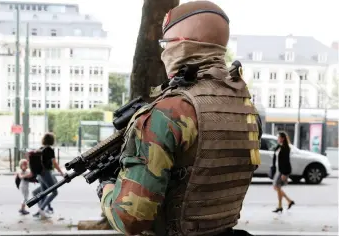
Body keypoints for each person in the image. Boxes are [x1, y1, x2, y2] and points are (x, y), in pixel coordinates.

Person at [96, 1, 262, 235]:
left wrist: (107, 188)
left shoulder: (169, 112)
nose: (163, 52)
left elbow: (131, 219)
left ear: (182, 45)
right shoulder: (246, 109)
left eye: (166, 43)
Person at [32, 132, 64, 219]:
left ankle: (41, 211)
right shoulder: (49, 150)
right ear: (52, 140)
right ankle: (41, 209)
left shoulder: (40, 148)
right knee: (54, 192)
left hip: (40, 174)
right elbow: (54, 163)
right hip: (46, 173)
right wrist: (62, 173)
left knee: (43, 193)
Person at [272, 132, 295, 213]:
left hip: (282, 171)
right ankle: (288, 201)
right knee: (276, 187)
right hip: (278, 170)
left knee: (277, 187)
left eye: (279, 137)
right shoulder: (279, 146)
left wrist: (284, 173)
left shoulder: (286, 148)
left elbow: (286, 161)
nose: (278, 139)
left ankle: (280, 206)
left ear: (283, 138)